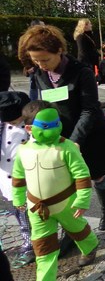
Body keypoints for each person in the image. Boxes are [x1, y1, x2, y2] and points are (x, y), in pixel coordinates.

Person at [19, 25, 105, 231]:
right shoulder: (39, 74)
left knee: (96, 175)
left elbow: (89, 109)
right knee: (64, 182)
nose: (41, 65)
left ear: (59, 51)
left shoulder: (81, 72)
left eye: (45, 59)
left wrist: (76, 140)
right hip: (58, 135)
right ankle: (72, 227)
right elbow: (40, 106)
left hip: (88, 133)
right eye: (36, 60)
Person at [13, 102, 100, 280]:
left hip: (66, 204)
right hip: (37, 208)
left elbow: (82, 174)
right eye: (46, 126)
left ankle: (90, 246)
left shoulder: (66, 147)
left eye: (56, 124)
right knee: (44, 248)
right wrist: (18, 198)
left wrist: (82, 200)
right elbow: (18, 177)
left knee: (77, 230)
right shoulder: (23, 150)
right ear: (29, 128)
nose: (53, 130)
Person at [0, 91, 35, 268]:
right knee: (20, 212)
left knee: (33, 212)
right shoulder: (2, 126)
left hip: (28, 177)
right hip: (7, 178)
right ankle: (28, 242)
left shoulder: (31, 127)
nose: (12, 124)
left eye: (14, 120)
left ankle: (37, 243)